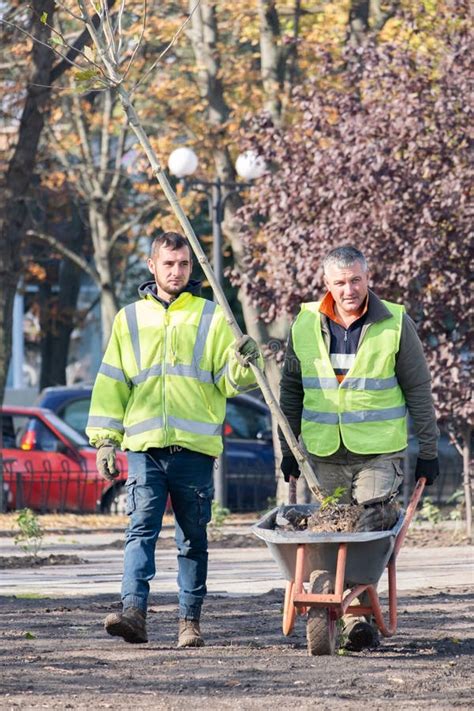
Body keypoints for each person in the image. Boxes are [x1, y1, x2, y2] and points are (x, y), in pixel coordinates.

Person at [86, 231, 261, 648]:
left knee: (192, 539)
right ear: (152, 266)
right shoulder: (128, 319)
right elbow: (113, 382)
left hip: (194, 450)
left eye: (183, 264)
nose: (177, 271)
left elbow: (228, 382)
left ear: (191, 267)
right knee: (139, 531)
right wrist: (106, 440)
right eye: (169, 264)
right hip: (145, 447)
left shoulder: (212, 316)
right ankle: (133, 613)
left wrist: (244, 363)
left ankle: (189, 622)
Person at [279, 245, 439, 650]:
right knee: (329, 532)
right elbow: (292, 391)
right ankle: (343, 613)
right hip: (324, 452)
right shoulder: (304, 323)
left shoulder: (394, 323)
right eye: (339, 282)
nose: (348, 290)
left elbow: (418, 388)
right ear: (326, 285)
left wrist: (429, 450)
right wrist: (287, 448)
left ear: (368, 279)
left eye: (355, 280)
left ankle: (351, 616)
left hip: (378, 453)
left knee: (368, 526)